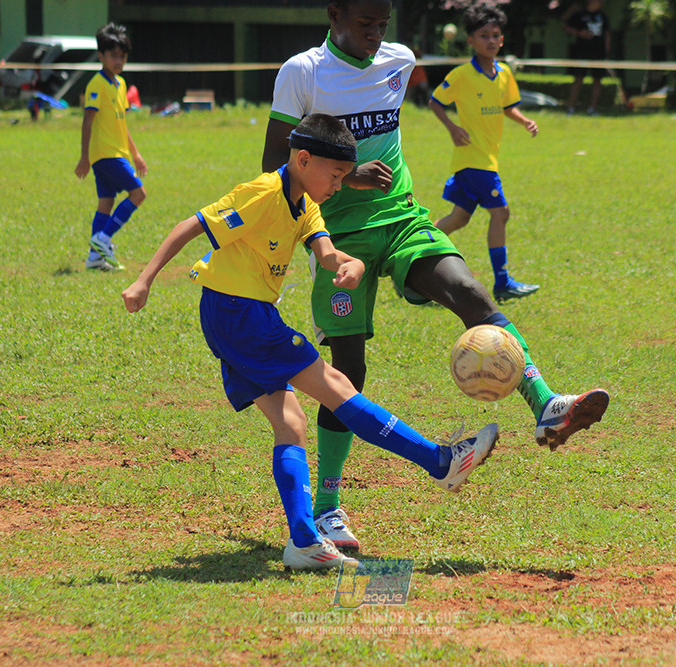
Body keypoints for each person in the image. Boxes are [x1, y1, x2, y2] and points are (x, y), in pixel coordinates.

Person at [262, 0, 609, 552]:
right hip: (335, 233)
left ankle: (545, 404)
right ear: (333, 15)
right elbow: (274, 165)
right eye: (363, 23)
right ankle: (326, 510)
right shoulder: (302, 72)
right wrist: (347, 178)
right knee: (347, 370)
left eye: (382, 24)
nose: (376, 35)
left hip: (401, 218)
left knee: (470, 292)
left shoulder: (400, 59)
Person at [121, 113, 499, 570]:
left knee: (291, 422)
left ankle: (303, 540)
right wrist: (144, 281)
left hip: (235, 316)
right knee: (337, 386)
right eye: (335, 175)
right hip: (239, 313)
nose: (339, 185)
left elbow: (326, 252)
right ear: (303, 159)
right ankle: (439, 462)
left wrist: (351, 263)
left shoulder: (306, 203)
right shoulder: (262, 193)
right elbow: (192, 225)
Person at [429, 4, 540, 301]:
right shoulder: (463, 74)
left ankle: (414, 252)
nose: (490, 40)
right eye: (483, 35)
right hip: (474, 160)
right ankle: (503, 282)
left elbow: (507, 107)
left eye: (495, 35)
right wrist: (452, 128)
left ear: (502, 40)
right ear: (470, 41)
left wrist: (524, 120)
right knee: (501, 213)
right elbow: (435, 101)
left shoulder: (503, 73)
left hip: (484, 159)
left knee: (458, 219)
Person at [75, 23, 147, 272]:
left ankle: (94, 258)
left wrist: (135, 154)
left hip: (116, 152)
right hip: (106, 154)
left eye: (122, 56)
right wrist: (84, 156)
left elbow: (122, 123)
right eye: (113, 55)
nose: (118, 60)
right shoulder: (97, 84)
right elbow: (87, 120)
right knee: (138, 194)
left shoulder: (121, 84)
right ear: (101, 56)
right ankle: (103, 239)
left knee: (105, 202)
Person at [563, 0, 611, 116]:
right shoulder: (580, 14)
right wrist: (579, 33)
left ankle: (592, 108)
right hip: (582, 52)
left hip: (598, 53)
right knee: (578, 78)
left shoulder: (602, 15)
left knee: (597, 81)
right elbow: (566, 26)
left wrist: (607, 51)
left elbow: (607, 33)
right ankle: (571, 107)